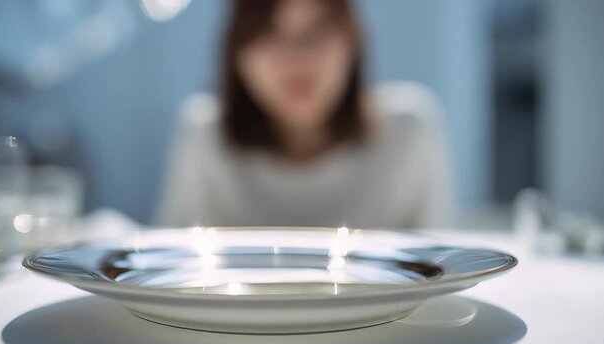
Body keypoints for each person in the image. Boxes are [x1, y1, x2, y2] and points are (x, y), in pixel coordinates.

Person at [156, 0, 453, 229]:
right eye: (269, 31)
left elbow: (438, 275)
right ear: (238, 52)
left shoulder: (409, 132)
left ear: (353, 40)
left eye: (318, 30)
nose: (297, 55)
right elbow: (167, 271)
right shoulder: (203, 135)